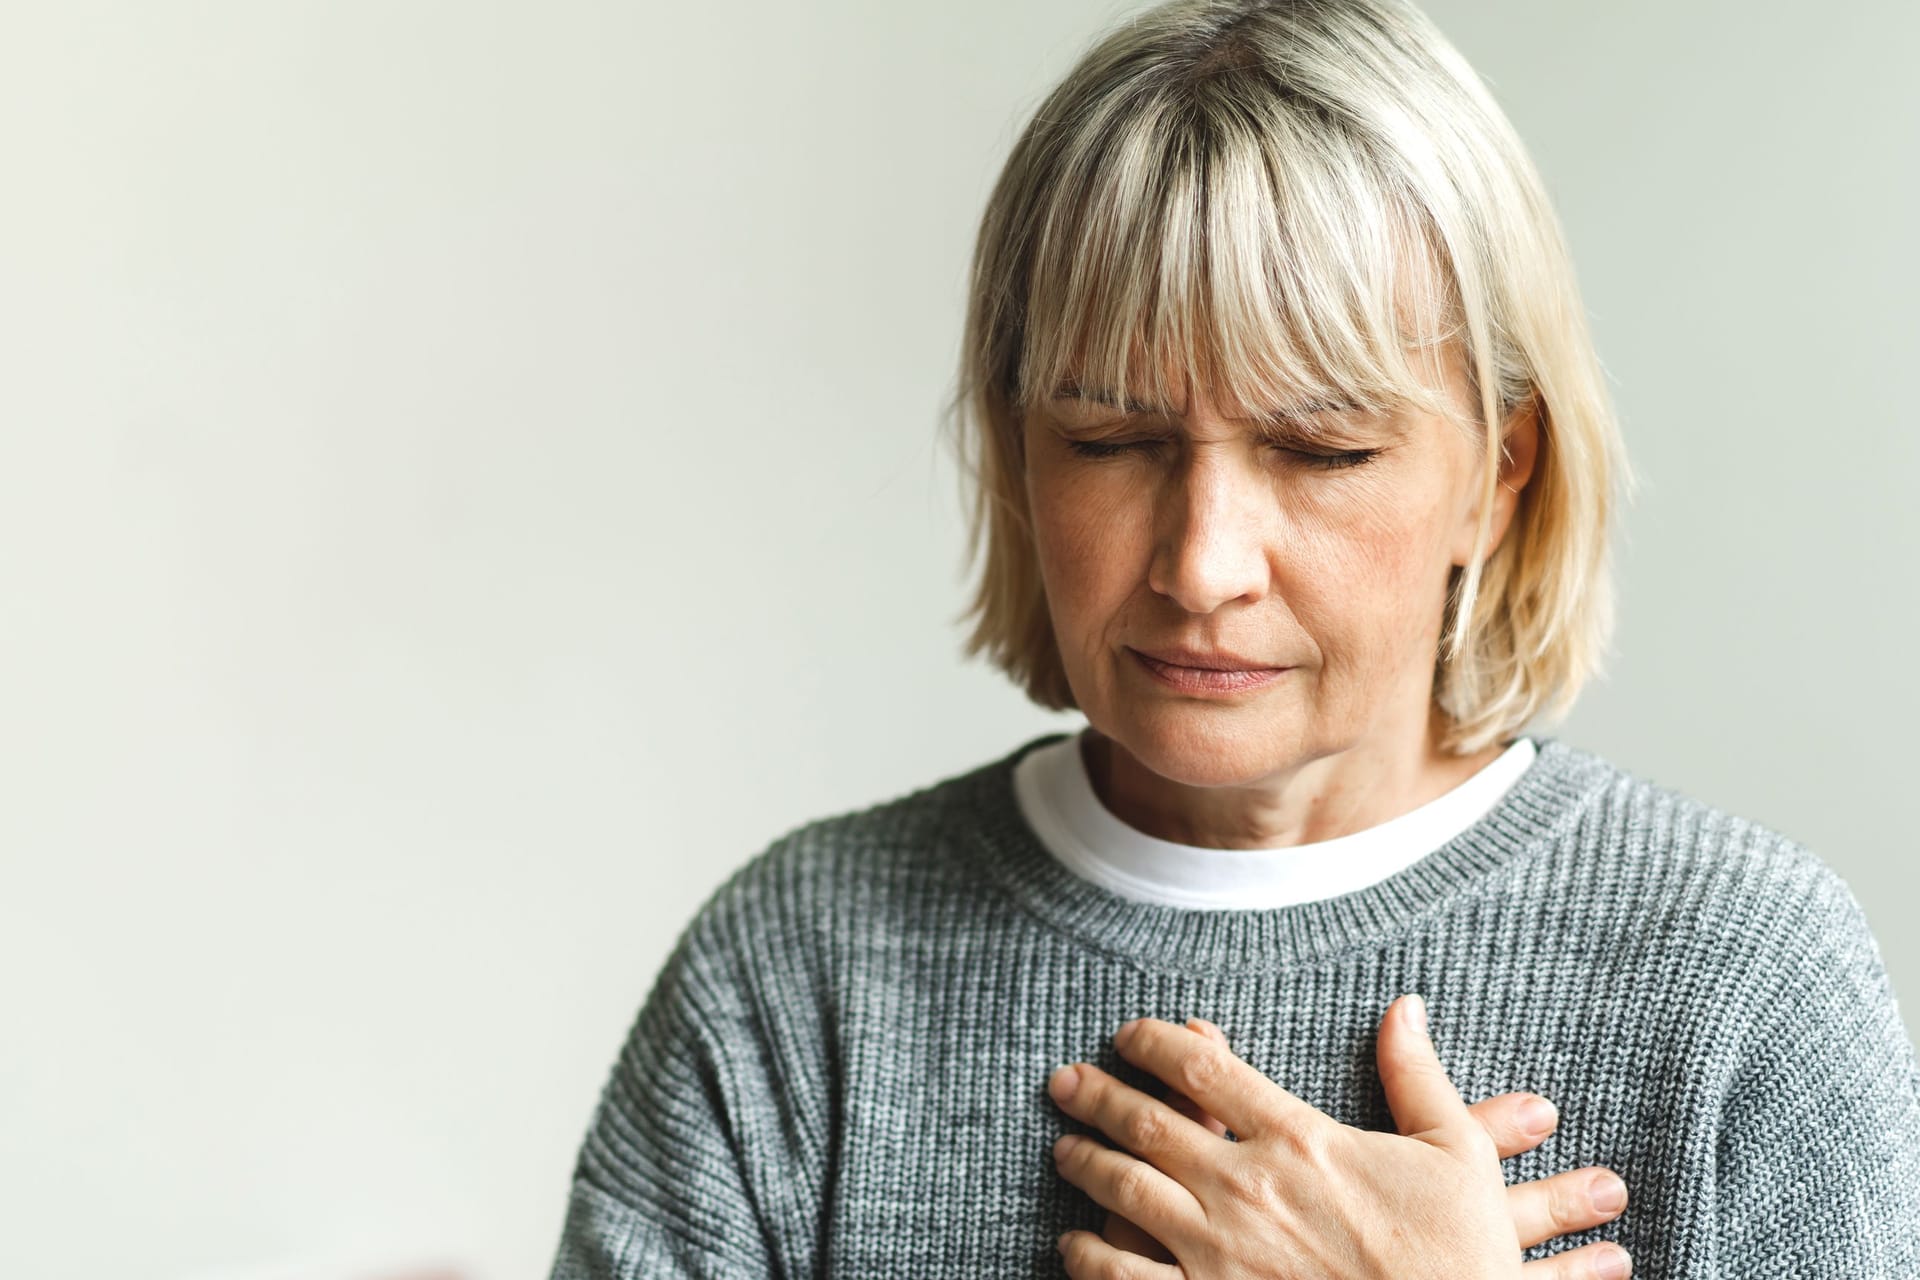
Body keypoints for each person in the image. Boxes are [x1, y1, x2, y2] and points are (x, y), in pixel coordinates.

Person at [546, 0, 1920, 1275]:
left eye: (1319, 450)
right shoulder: (799, 971)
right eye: (1112, 440)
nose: (1202, 567)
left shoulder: (1745, 976)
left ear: (1498, 475)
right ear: (1019, 452)